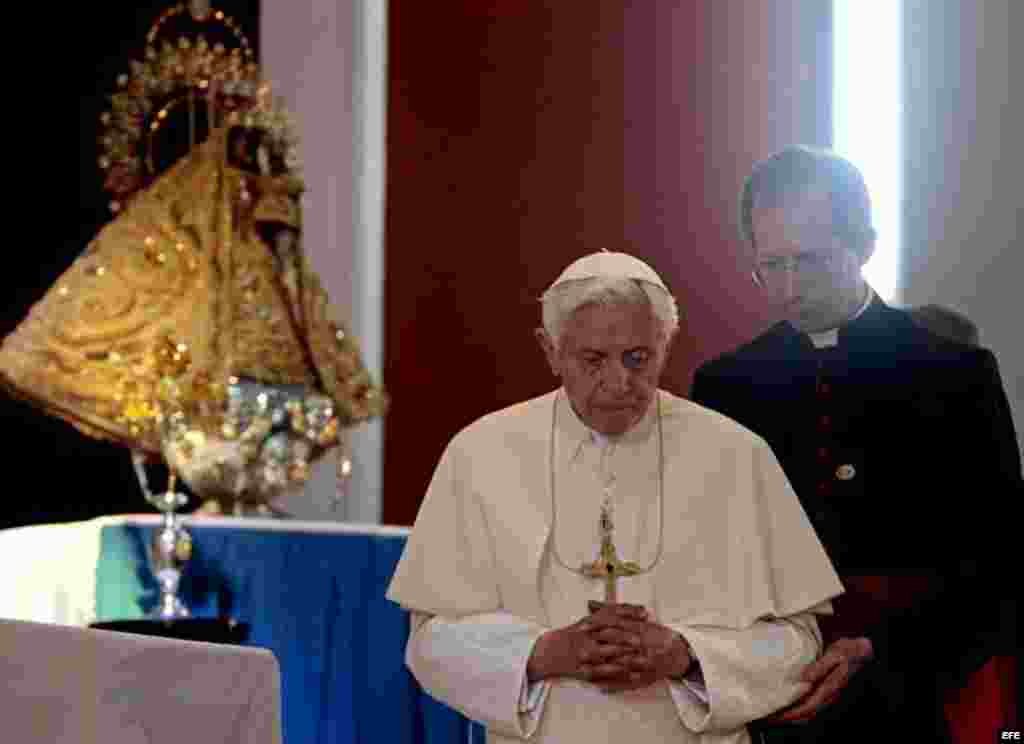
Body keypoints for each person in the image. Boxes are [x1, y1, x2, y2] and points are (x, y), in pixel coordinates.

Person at [387, 251, 844, 744]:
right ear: (550, 350)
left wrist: (687, 655)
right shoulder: (480, 454)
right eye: (593, 360)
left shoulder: (737, 454)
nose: (619, 382)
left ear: (666, 345)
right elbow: (429, 641)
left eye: (638, 358)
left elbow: (799, 643)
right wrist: (542, 653)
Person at [690, 145, 1022, 742]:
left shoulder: (955, 373)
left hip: (915, 693)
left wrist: (883, 646)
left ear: (864, 245)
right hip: (775, 696)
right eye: (771, 265)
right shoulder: (726, 386)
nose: (789, 288)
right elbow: (711, 559)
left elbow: (999, 561)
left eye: (810, 261)